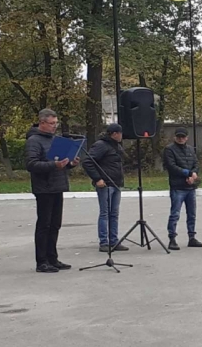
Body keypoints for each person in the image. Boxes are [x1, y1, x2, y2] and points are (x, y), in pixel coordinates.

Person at [25, 108, 79, 273]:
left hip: (57, 186)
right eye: (51, 123)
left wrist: (70, 163)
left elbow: (60, 161)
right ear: (42, 123)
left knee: (55, 224)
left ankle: (52, 258)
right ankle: (41, 261)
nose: (54, 126)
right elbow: (31, 164)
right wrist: (53, 165)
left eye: (56, 123)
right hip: (44, 188)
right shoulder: (34, 140)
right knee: (44, 224)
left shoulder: (55, 139)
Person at [82, 123, 128, 253]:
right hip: (105, 184)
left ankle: (114, 241)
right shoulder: (101, 145)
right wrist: (97, 178)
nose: (121, 136)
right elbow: (87, 162)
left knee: (114, 214)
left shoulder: (115, 146)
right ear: (114, 134)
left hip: (116, 184)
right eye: (120, 133)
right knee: (105, 213)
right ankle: (104, 242)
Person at [163, 127, 202, 250]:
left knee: (192, 214)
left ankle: (191, 237)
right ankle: (172, 238)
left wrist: (193, 174)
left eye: (183, 137)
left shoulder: (191, 149)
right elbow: (171, 166)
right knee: (175, 214)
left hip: (190, 187)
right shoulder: (169, 149)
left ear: (187, 138)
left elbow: (196, 164)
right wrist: (188, 173)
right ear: (175, 137)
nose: (181, 139)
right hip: (177, 186)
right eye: (178, 137)